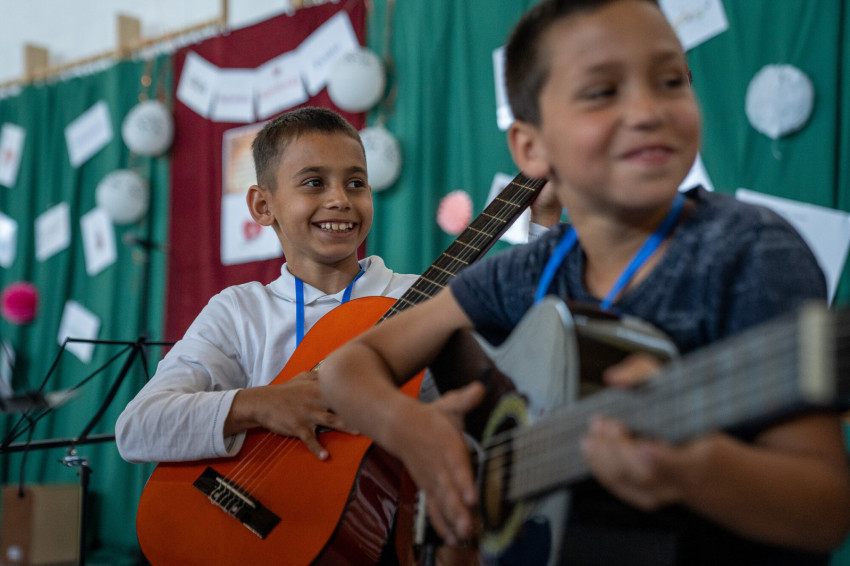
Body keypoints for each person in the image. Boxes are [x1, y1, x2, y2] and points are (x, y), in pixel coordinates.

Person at [317, 1, 850, 565]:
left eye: (671, 81)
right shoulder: (530, 269)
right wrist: (416, 434)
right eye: (601, 92)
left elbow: (824, 510)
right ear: (532, 148)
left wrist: (693, 469)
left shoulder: (749, 251)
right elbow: (346, 367)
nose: (648, 110)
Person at [115, 106, 560, 464]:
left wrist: (543, 220)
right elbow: (137, 428)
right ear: (263, 205)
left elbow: (530, 363)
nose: (340, 199)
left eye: (356, 183)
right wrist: (260, 404)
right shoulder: (238, 311)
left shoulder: (423, 299)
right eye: (314, 182)